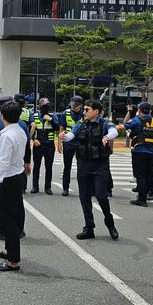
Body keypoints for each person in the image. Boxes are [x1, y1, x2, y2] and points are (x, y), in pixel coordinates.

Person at [60, 99, 119, 240]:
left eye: (87, 110)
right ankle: (89, 227)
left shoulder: (105, 123)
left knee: (101, 196)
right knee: (84, 197)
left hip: (100, 165)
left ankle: (110, 223)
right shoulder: (81, 124)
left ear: (96, 112)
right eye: (84, 109)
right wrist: (64, 136)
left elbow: (114, 131)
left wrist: (107, 136)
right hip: (84, 165)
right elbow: (71, 136)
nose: (84, 112)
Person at [0, 100, 28, 272]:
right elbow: (8, 150)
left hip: (7, 181)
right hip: (17, 177)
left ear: (2, 115)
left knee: (8, 221)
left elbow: (2, 163)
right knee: (14, 216)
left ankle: (13, 261)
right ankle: (8, 250)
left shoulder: (7, 136)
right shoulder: (19, 132)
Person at [118, 102, 153, 206]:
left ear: (139, 110)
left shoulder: (137, 120)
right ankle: (151, 192)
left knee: (140, 175)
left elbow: (122, 126)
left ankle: (142, 199)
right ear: (150, 111)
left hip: (139, 150)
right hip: (152, 151)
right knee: (149, 173)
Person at [58, 95, 84, 197]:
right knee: (67, 167)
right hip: (68, 144)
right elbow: (61, 128)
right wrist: (59, 143)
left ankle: (83, 189)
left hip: (81, 143)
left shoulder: (84, 114)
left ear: (80, 105)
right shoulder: (66, 113)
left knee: (81, 167)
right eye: (72, 105)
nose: (73, 107)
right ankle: (65, 188)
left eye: (76, 105)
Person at [31, 97, 57, 194]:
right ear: (39, 106)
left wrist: (50, 120)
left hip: (49, 145)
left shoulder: (52, 116)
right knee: (36, 166)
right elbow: (31, 130)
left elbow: (57, 128)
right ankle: (35, 187)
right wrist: (34, 139)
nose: (45, 108)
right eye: (44, 106)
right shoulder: (35, 116)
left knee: (48, 167)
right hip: (38, 145)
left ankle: (47, 187)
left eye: (47, 106)